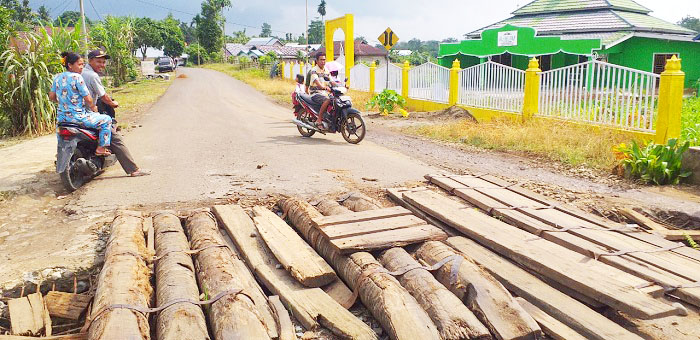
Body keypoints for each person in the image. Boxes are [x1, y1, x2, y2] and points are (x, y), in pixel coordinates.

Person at [82, 49, 150, 177]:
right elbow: (103, 96)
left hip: (71, 114)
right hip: (87, 113)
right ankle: (133, 170)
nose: (102, 65)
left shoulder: (78, 73)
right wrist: (113, 104)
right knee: (116, 138)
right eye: (98, 62)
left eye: (103, 62)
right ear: (90, 61)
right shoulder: (92, 76)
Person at [49, 51, 112, 156]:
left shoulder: (57, 77)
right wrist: (93, 107)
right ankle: (101, 148)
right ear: (69, 65)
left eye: (83, 64)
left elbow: (51, 97)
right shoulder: (77, 77)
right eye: (79, 64)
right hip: (78, 118)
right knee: (107, 120)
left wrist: (63, 101)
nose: (82, 67)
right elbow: (88, 99)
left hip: (61, 119)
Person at [308, 54, 332, 129]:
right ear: (317, 61)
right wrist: (323, 87)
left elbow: (331, 81)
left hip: (325, 93)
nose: (323, 61)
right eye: (321, 60)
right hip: (315, 93)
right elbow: (317, 82)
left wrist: (341, 86)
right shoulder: (314, 70)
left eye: (324, 59)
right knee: (327, 100)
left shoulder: (326, 70)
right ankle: (319, 119)